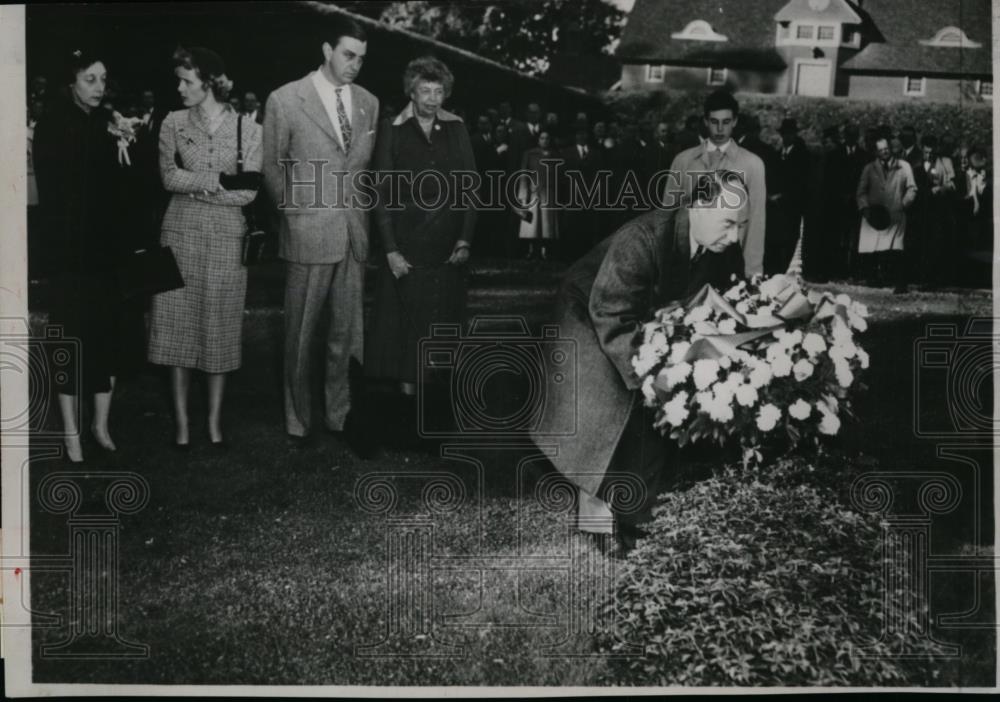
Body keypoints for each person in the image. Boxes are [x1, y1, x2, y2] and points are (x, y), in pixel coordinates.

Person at [530, 172, 750, 554]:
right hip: (589, 313)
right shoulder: (643, 238)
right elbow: (610, 312)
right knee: (609, 412)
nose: (734, 237)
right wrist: (652, 377)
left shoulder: (722, 247)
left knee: (665, 405)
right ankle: (596, 518)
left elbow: (724, 302)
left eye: (741, 225)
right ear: (698, 206)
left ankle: (648, 507)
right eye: (728, 223)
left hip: (643, 320)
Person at [263, 18, 380, 450]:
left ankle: (341, 416)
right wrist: (294, 214)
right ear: (327, 49)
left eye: (362, 58)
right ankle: (298, 420)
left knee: (347, 335)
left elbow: (362, 170)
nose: (355, 65)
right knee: (300, 333)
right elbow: (271, 166)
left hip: (353, 233)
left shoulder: (369, 102)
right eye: (348, 55)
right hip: (308, 231)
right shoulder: (285, 99)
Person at [33, 48, 146, 463]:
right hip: (70, 253)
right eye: (90, 79)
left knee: (108, 335)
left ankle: (100, 425)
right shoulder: (53, 125)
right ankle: (71, 432)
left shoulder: (108, 123)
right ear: (71, 82)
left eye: (103, 79)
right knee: (71, 337)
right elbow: (59, 191)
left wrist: (127, 145)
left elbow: (127, 188)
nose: (99, 88)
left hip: (107, 252)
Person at [147, 47, 262, 449]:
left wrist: (195, 185)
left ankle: (214, 424)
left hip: (227, 239)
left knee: (220, 329)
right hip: (178, 235)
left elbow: (249, 191)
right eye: (179, 80)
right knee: (175, 329)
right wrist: (217, 182)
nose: (180, 88)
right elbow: (168, 177)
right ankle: (181, 424)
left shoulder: (248, 129)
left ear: (210, 82)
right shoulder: (172, 122)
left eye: (187, 80)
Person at [365, 56, 476, 444]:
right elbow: (380, 193)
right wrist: (391, 250)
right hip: (406, 249)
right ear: (411, 92)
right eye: (424, 90)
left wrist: (464, 239)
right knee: (406, 335)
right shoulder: (392, 129)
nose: (432, 98)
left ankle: (435, 421)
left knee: (440, 332)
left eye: (438, 91)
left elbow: (470, 185)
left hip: (446, 251)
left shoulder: (456, 127)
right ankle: (405, 422)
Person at [669, 90, 766, 277]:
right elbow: (668, 215)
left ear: (735, 121)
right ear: (705, 121)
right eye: (714, 122)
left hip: (730, 262)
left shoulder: (752, 164)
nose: (720, 129)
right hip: (687, 263)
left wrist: (753, 273)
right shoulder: (683, 161)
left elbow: (756, 223)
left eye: (726, 122)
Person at [856, 136, 917, 292]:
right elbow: (861, 192)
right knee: (873, 247)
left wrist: (904, 203)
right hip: (874, 214)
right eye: (881, 150)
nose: (884, 152)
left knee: (896, 248)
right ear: (876, 152)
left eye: (886, 149)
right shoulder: (869, 168)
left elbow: (912, 188)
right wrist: (865, 209)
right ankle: (874, 278)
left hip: (895, 213)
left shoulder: (904, 166)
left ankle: (900, 283)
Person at [765, 117, 809, 275]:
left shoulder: (803, 157)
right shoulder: (776, 155)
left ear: (795, 135)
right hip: (774, 209)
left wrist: (783, 196)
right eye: (785, 133)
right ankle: (773, 273)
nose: (787, 137)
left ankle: (782, 272)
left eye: (790, 133)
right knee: (774, 243)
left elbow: (802, 184)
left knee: (788, 242)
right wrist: (769, 195)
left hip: (791, 207)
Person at [517, 130, 562, 260]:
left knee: (547, 224)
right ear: (538, 140)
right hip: (534, 192)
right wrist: (523, 193)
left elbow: (559, 175)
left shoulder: (555, 155)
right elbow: (523, 174)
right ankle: (531, 250)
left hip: (549, 193)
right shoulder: (530, 154)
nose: (545, 141)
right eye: (542, 138)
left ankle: (545, 251)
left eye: (547, 138)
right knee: (533, 223)